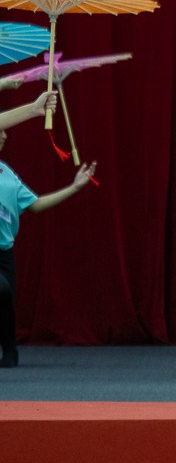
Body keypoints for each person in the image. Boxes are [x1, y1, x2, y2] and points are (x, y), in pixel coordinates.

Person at [0, 90, 93, 368]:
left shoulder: (7, 174)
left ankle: (9, 349)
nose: (4, 135)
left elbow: (36, 204)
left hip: (5, 252)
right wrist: (33, 108)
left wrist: (74, 188)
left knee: (5, 301)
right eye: (0, 130)